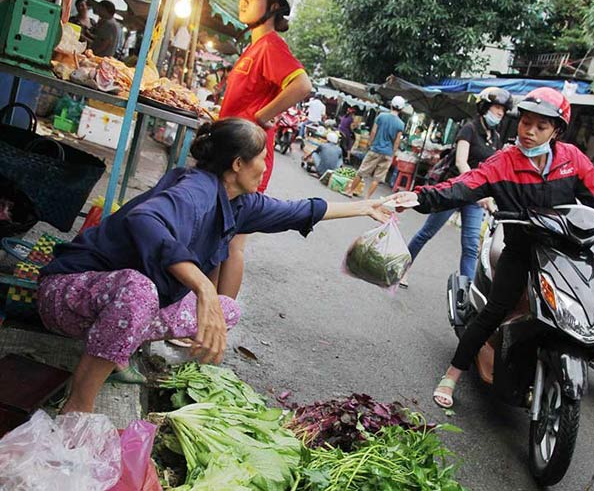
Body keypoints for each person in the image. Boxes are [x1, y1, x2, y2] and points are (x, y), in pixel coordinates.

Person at [37, 118, 395, 413]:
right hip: (68, 296)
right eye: (262, 158)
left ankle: (115, 346)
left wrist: (366, 208)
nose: (266, 166)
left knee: (225, 310)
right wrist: (204, 287)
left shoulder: (240, 202)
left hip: (117, 307)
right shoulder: (195, 190)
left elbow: (298, 210)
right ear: (237, 164)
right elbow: (145, 219)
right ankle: (80, 403)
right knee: (141, 289)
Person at [392, 87, 594, 409]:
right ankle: (453, 373)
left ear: (557, 131)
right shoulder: (503, 162)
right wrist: (419, 197)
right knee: (495, 311)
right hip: (520, 248)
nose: (529, 132)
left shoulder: (572, 159)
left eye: (540, 126)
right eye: (525, 122)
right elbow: (461, 187)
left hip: (564, 252)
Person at [217, 0, 312, 300]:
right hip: (231, 154)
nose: (244, 0)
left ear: (273, 6)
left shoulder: (271, 45)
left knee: (233, 245)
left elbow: (302, 85)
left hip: (247, 160)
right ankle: (202, 323)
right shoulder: (255, 46)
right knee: (219, 240)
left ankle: (217, 326)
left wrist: (262, 116)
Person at [400, 87, 512, 288]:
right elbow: (461, 162)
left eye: (503, 110)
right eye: (497, 107)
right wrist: (477, 190)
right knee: (427, 233)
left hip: (476, 197)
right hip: (455, 190)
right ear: (485, 106)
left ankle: (466, 293)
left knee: (470, 247)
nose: (500, 113)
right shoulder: (468, 129)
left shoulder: (495, 137)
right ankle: (401, 269)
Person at [343, 96, 406, 199]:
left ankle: (350, 191)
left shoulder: (381, 116)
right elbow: (397, 141)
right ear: (401, 109)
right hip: (388, 153)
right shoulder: (401, 124)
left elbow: (373, 131)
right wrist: (393, 153)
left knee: (362, 172)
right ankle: (367, 198)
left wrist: (370, 143)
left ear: (391, 105)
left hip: (375, 149)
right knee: (377, 178)